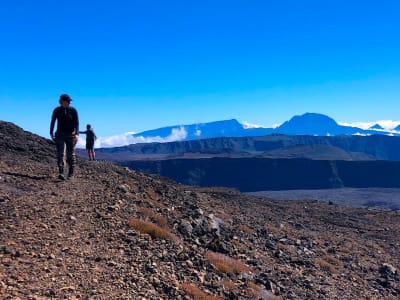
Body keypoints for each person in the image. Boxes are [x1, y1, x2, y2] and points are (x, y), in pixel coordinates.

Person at [50, 94, 79, 180]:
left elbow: (77, 122)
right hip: (60, 134)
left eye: (69, 101)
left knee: (71, 154)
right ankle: (61, 172)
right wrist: (51, 132)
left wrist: (77, 134)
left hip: (71, 134)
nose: (69, 103)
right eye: (67, 101)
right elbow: (53, 121)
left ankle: (71, 173)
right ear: (62, 101)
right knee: (61, 153)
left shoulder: (73, 110)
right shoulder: (57, 110)